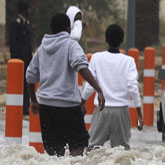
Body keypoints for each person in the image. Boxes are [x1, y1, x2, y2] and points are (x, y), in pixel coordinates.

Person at [26, 13, 106, 156]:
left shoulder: (42, 49)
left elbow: (30, 76)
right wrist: (98, 89)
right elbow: (81, 67)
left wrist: (33, 100)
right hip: (68, 105)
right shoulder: (71, 45)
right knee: (78, 146)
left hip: (46, 106)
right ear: (68, 28)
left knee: (53, 152)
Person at [82, 24, 143, 149]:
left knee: (92, 149)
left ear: (106, 39)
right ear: (122, 40)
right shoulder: (129, 61)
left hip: (101, 110)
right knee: (122, 153)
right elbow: (133, 87)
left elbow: (90, 85)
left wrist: (81, 101)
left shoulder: (96, 58)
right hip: (121, 112)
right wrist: (139, 113)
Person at [8, 1, 33, 115]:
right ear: (24, 10)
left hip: (27, 59)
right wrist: (15, 58)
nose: (30, 11)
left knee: (27, 82)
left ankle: (25, 107)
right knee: (19, 83)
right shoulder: (15, 23)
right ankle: (19, 108)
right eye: (28, 9)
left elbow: (28, 43)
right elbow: (13, 42)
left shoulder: (27, 23)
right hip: (18, 60)